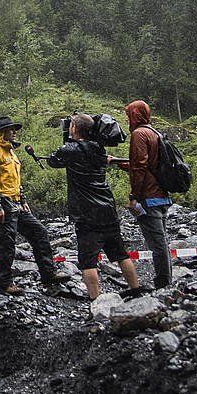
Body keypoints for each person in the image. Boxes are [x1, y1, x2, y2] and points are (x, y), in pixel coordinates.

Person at [33, 113, 143, 301]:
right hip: (107, 209)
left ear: (74, 128)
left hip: (87, 213)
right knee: (121, 253)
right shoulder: (99, 148)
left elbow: (53, 160)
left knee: (88, 261)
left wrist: (67, 139)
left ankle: (95, 299)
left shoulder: (70, 150)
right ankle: (135, 290)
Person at [0, 115, 60, 296]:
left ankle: (49, 273)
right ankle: (4, 284)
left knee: (39, 232)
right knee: (6, 244)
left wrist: (23, 200)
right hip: (3, 203)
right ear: (2, 133)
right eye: (11, 130)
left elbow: (16, 180)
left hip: (16, 202)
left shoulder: (11, 152)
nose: (14, 132)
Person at [109, 100, 173, 290]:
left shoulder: (139, 134)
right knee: (162, 241)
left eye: (129, 114)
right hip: (162, 194)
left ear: (134, 116)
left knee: (157, 244)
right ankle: (165, 280)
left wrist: (133, 196)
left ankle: (163, 283)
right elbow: (145, 164)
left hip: (148, 197)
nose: (127, 118)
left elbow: (139, 168)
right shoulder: (154, 133)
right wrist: (118, 163)